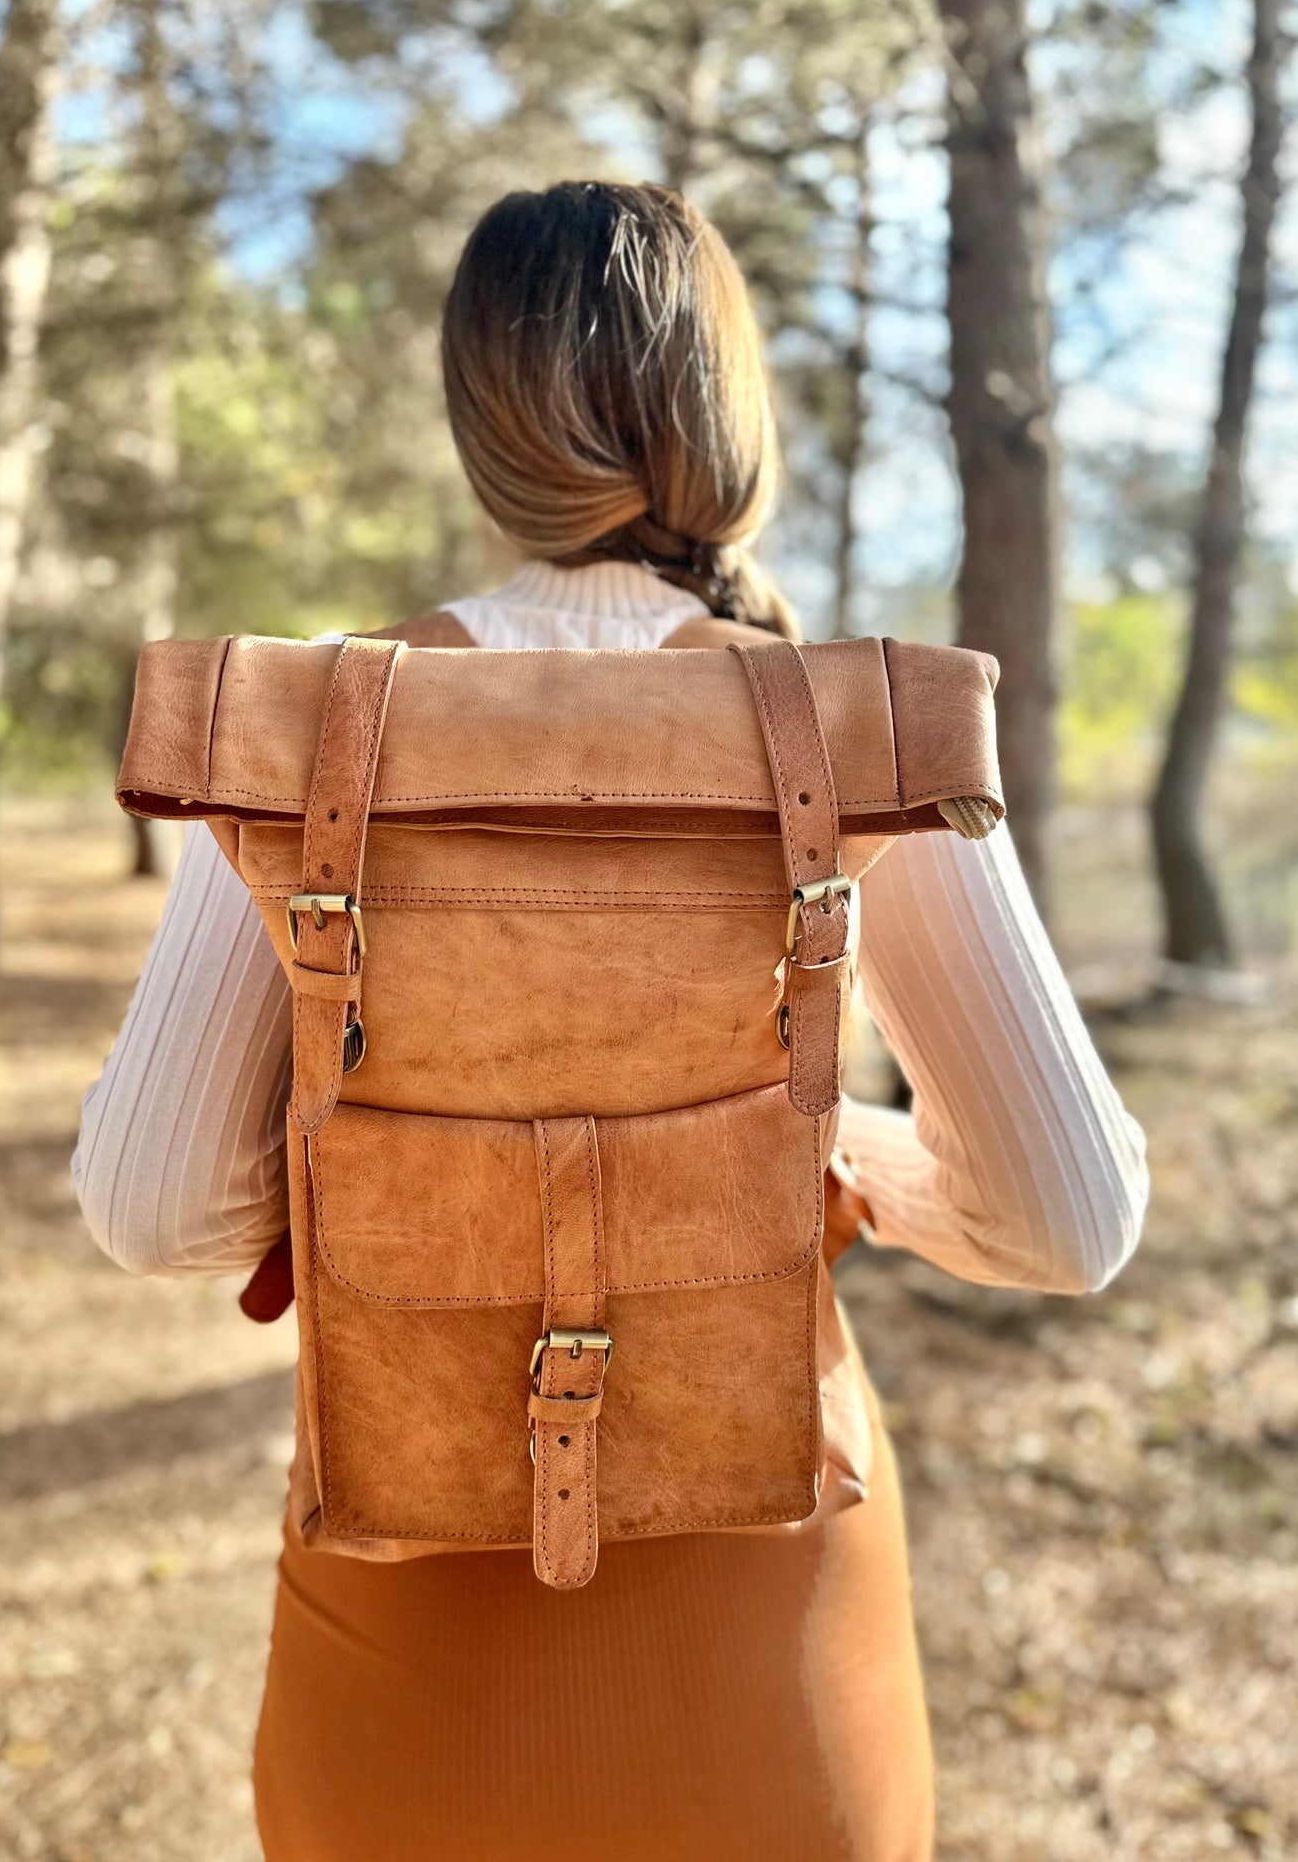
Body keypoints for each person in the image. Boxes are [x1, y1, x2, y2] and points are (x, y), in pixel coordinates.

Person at [73, 181, 1148, 1862]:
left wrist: (407, 1185)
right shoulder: (857, 726)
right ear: (728, 411)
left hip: (410, 1624)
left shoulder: (315, 730)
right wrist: (806, 1159)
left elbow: (146, 1202)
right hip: (771, 1630)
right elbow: (1071, 1217)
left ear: (482, 426)